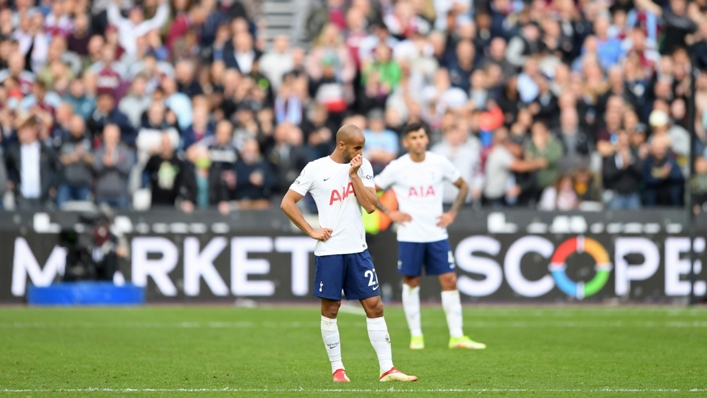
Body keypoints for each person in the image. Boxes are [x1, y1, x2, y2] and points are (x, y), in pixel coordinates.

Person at [280, 124, 417, 383]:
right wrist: (311, 230)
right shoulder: (315, 168)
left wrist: (354, 175)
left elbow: (371, 206)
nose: (361, 152)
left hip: (358, 250)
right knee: (331, 309)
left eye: (362, 147)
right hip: (330, 251)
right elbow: (287, 202)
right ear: (341, 144)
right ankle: (338, 369)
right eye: (357, 147)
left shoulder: (362, 167)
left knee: (375, 306)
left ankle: (387, 368)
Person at [374, 123, 486, 350]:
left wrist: (452, 214)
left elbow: (463, 186)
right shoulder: (398, 167)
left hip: (436, 233)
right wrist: (390, 213)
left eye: (421, 136)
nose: (418, 140)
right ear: (406, 142)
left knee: (449, 280)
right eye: (413, 137)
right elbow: (371, 190)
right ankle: (416, 336)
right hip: (410, 234)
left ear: (426, 139)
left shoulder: (439, 162)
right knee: (412, 282)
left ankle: (457, 336)